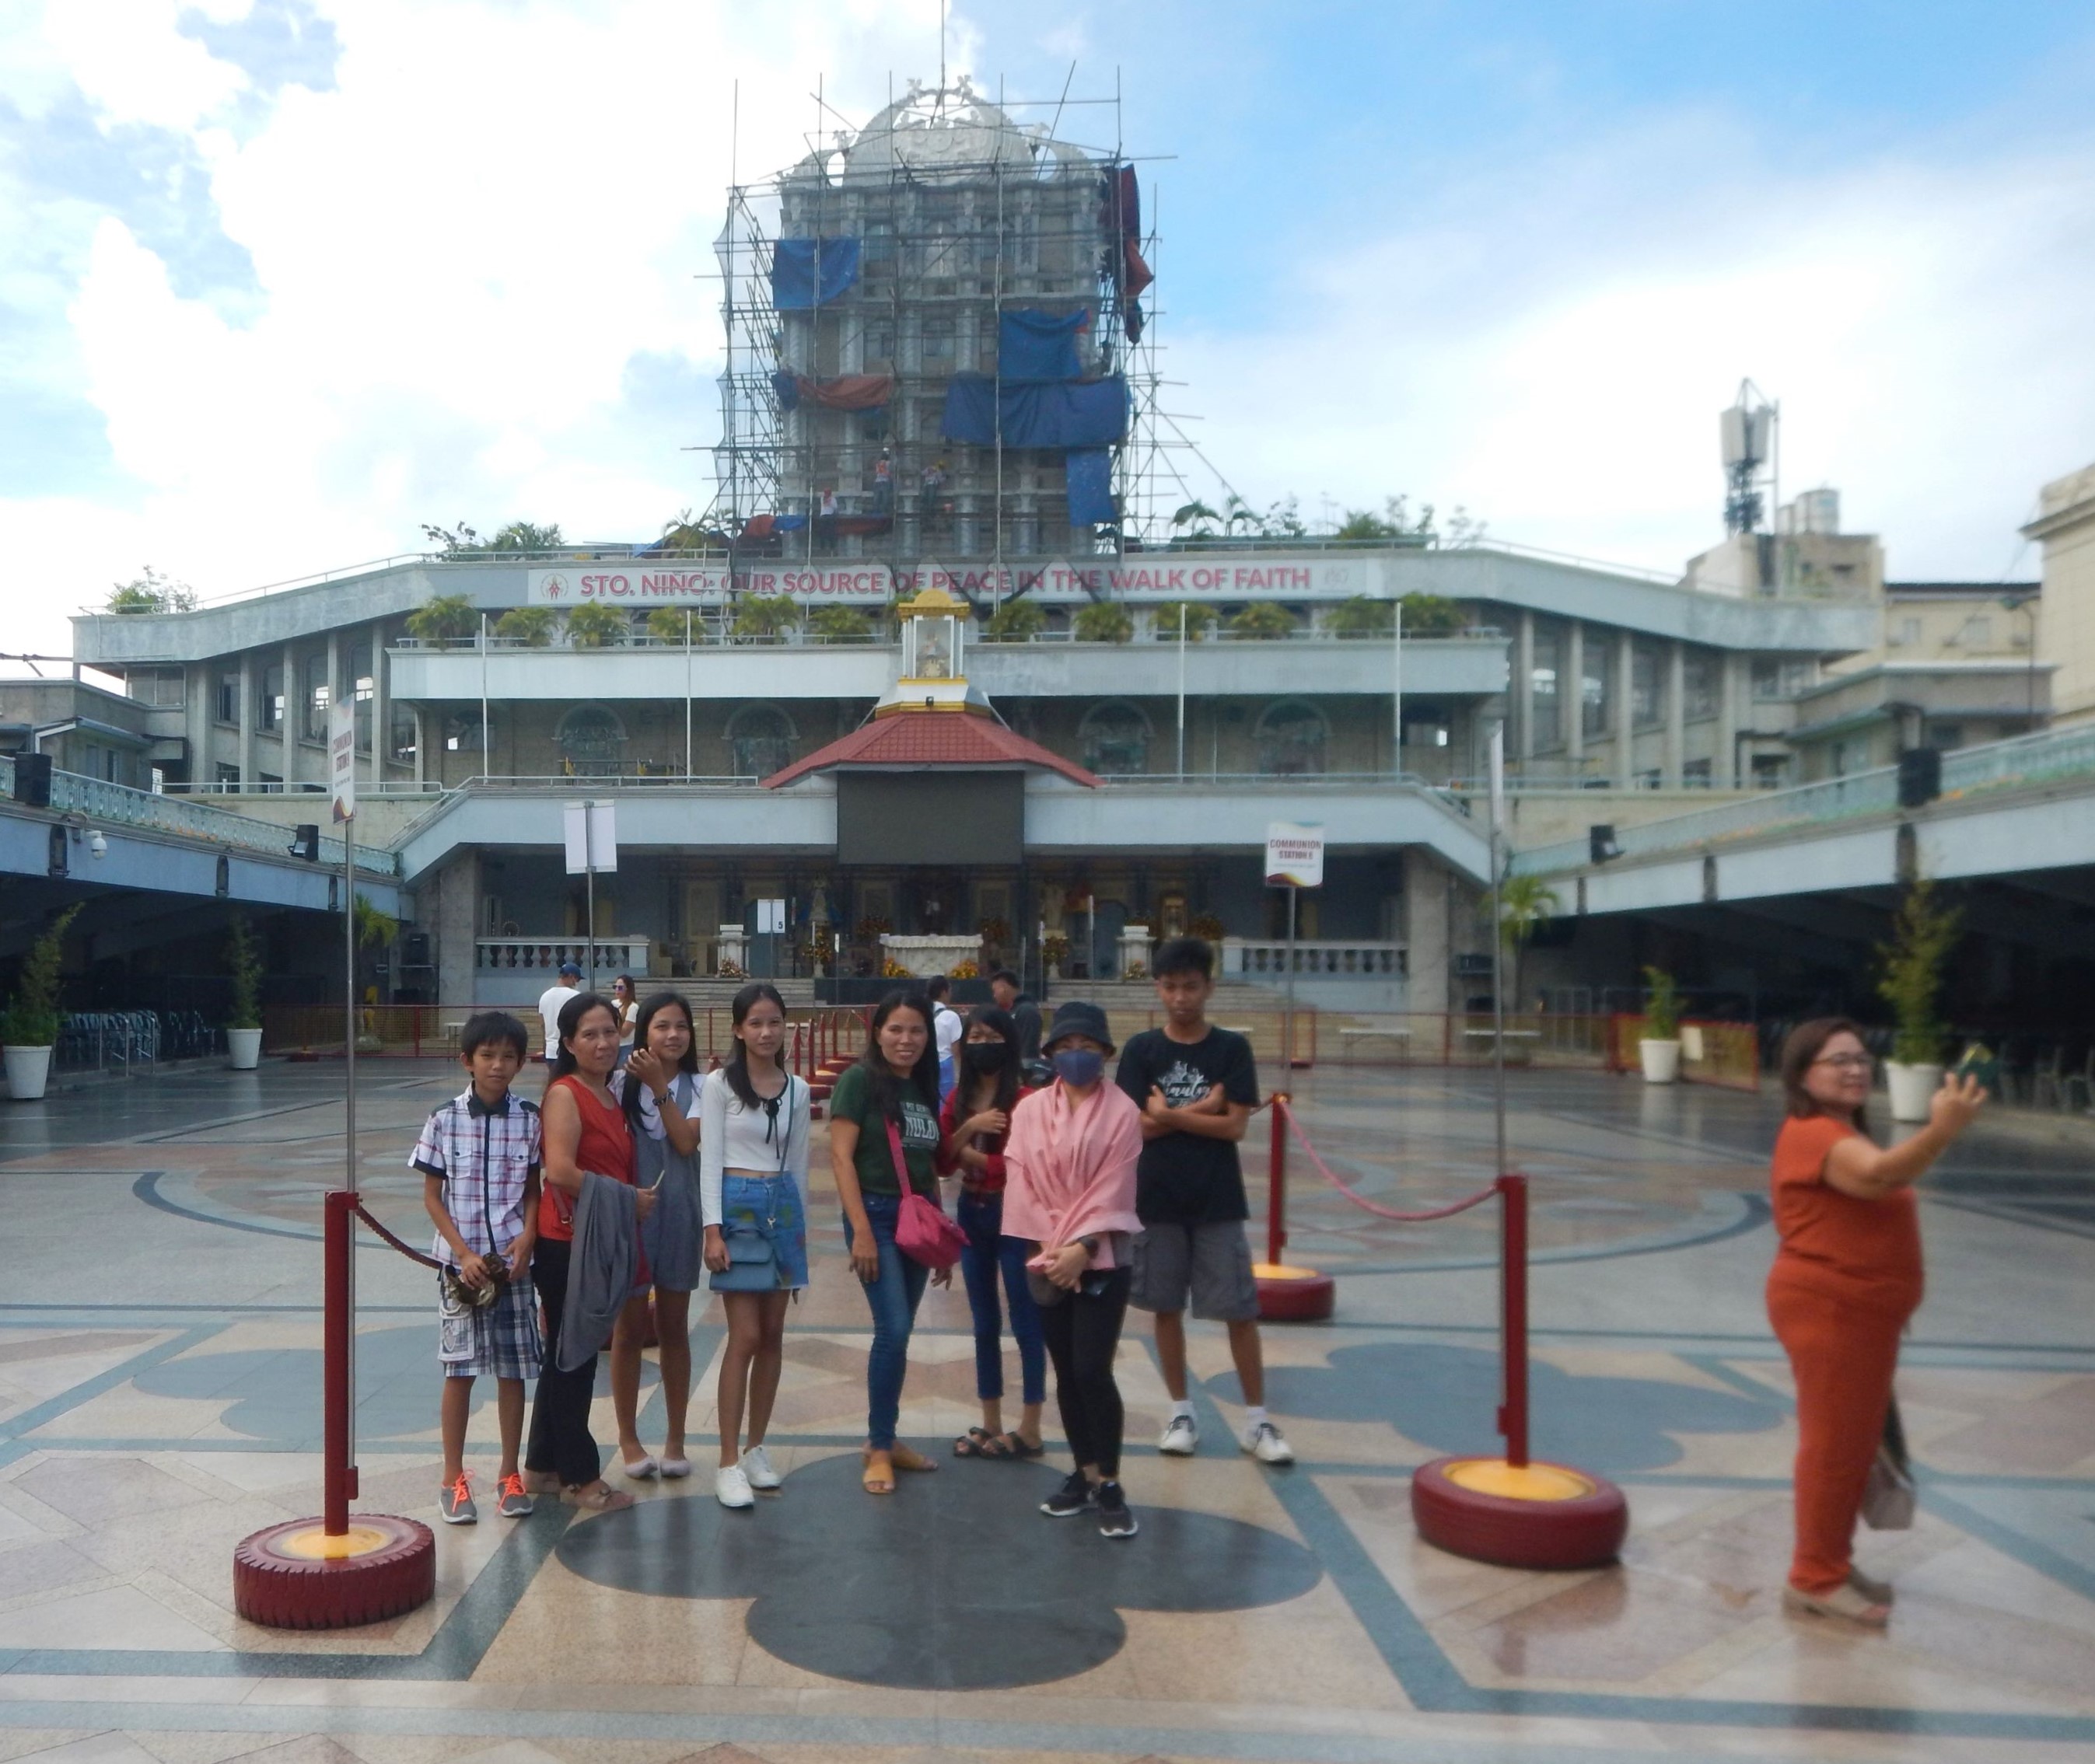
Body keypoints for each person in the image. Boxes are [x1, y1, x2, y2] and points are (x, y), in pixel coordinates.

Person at [1768, 1018, 1983, 1626]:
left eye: (1862, 1057)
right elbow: (1879, 1174)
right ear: (1802, 1074)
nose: (1856, 1068)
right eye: (1838, 1060)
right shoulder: (1812, 1132)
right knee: (1834, 1447)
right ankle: (1814, 1576)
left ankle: (1831, 1559)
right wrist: (1942, 1130)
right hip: (1829, 1309)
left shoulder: (1835, 1129)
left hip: (1859, 1315)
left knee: (1854, 1444)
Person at [1117, 936, 1294, 1465]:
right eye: (1170, 986)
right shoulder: (1142, 1050)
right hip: (1157, 1200)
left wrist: (1170, 1113)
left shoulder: (1230, 1049)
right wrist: (1204, 1107)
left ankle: (1257, 1420)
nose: (1180, 997)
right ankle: (1181, 1411)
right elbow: (1131, 1129)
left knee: (1239, 1309)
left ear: (1209, 987)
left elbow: (1234, 1127)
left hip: (1217, 1200)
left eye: (1190, 986)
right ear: (1158, 987)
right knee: (1166, 1307)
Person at [1003, 1001, 1145, 1538]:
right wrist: (1051, 1245)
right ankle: (1083, 1472)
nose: (1075, 1054)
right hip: (1047, 1254)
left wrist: (1082, 1247)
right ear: (1050, 1054)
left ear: (1105, 1052)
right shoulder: (1031, 1109)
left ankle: (1110, 1479)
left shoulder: (1124, 1112)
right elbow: (1021, 1178)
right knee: (1064, 1368)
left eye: (1086, 1045)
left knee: (1092, 1368)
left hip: (1102, 1254)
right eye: (1064, 1046)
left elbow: (1115, 1186)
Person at [525, 992, 655, 1511]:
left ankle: (540, 1466)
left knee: (565, 1354)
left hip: (591, 1239)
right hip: (566, 1243)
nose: (603, 1042)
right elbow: (558, 1170)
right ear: (569, 1042)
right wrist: (627, 1200)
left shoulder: (608, 1093)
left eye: (609, 1031)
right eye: (590, 1034)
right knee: (574, 1360)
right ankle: (580, 1477)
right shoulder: (566, 1094)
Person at [414, 1011, 541, 1525]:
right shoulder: (444, 1119)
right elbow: (431, 1194)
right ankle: (452, 1477)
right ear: (467, 1060)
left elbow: (534, 1187)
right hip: (458, 1270)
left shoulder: (528, 1119)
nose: (498, 1065)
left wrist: (529, 1236)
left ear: (521, 1061)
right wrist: (462, 1253)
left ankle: (510, 1474)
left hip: (511, 1265)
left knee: (513, 1370)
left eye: (508, 1056)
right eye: (487, 1055)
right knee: (460, 1370)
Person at [827, 990, 953, 1494]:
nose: (906, 1039)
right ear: (877, 1032)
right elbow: (841, 1158)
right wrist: (859, 1229)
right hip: (875, 1217)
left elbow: (926, 1168)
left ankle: (888, 1435)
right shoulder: (858, 1081)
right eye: (896, 1029)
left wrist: (941, 1234)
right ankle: (879, 1445)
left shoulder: (923, 1086)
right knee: (894, 1327)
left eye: (916, 1030)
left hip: (915, 1219)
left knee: (900, 1333)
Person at [701, 982, 811, 1508]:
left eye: (775, 1022)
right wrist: (712, 1228)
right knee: (742, 1335)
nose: (767, 1032)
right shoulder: (720, 1084)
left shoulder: (798, 1088)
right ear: (740, 1029)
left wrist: (799, 1234)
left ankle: (756, 1447)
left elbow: (800, 1163)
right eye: (757, 1022)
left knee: (772, 1335)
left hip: (782, 1205)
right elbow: (710, 1158)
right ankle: (726, 1460)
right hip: (737, 1202)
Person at [938, 1005, 1045, 1461]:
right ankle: (991, 1420)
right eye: (975, 1037)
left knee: (1025, 1320)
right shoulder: (957, 1100)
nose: (983, 1045)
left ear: (1009, 1042)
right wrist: (971, 1128)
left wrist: (974, 1157)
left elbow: (1027, 1165)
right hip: (972, 1212)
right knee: (983, 1322)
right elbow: (941, 1160)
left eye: (991, 1036)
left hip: (1015, 1217)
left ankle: (1032, 1426)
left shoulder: (1025, 1100)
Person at [608, 993, 703, 1479]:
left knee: (673, 1329)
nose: (672, 1035)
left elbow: (686, 1142)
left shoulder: (703, 1085)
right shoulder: (618, 1085)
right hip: (632, 1219)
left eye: (680, 1026)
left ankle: (676, 1438)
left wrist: (660, 1086)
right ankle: (628, 1438)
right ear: (643, 1031)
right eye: (662, 1025)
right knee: (627, 1331)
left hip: (681, 1218)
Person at [989, 969, 1042, 1069]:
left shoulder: (1027, 1011)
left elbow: (1028, 1046)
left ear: (1003, 988)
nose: (994, 996)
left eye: (995, 991)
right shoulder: (1007, 1012)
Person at [926, 976, 964, 1105]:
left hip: (927, 1063)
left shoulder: (924, 1014)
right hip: (946, 1066)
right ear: (944, 992)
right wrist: (961, 1074)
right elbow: (956, 1049)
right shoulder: (951, 1016)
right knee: (946, 1104)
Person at [536, 962, 582, 1063]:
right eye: (577, 980)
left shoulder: (544, 997)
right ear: (572, 977)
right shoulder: (576, 996)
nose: (577, 983)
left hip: (550, 1051)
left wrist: (545, 1048)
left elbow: (543, 1025)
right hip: (570, 1050)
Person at [610, 976, 639, 1066]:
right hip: (614, 1046)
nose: (617, 990)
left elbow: (624, 1032)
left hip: (626, 1047)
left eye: (620, 988)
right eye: (615, 987)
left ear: (628, 989)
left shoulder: (633, 1007)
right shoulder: (613, 1003)